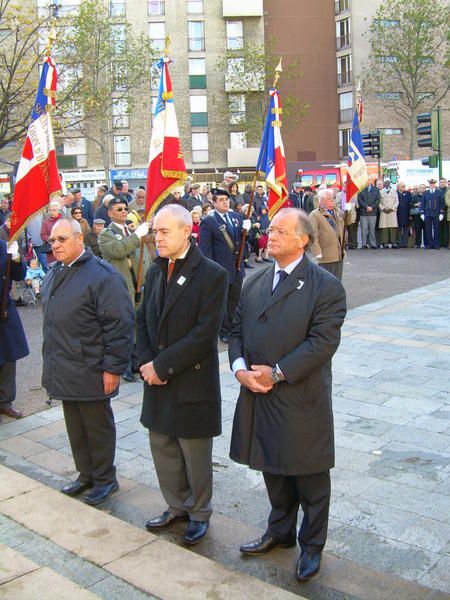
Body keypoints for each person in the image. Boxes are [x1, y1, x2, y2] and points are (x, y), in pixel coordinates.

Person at [229, 208, 346, 582]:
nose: (270, 234)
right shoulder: (256, 280)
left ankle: (311, 545)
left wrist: (277, 373)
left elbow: (323, 343)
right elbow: (234, 331)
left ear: (303, 240)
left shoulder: (325, 286)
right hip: (258, 392)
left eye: (280, 230)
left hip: (299, 397)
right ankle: (279, 532)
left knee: (309, 476)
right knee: (272, 468)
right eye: (270, 229)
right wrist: (240, 369)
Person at [137, 205, 228, 545]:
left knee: (194, 453)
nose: (156, 238)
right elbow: (142, 319)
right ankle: (176, 506)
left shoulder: (212, 274)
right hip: (156, 378)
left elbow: (204, 335)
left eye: (163, 232)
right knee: (163, 446)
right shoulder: (156, 269)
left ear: (186, 231)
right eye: (155, 232)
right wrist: (147, 363)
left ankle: (199, 512)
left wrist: (161, 366)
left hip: (190, 379)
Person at [41, 218, 134, 505]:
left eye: (62, 239)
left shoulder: (102, 276)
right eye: (53, 241)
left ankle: (105, 478)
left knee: (97, 427)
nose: (55, 245)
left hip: (92, 367)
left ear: (79, 239)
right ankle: (86, 474)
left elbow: (119, 325)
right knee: (76, 426)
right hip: (65, 365)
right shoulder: (56, 272)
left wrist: (112, 367)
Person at [98, 197, 150, 382]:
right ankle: (125, 365)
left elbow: (144, 255)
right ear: (110, 212)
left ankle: (136, 361)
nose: (123, 211)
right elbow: (118, 250)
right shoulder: (106, 234)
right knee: (124, 325)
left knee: (139, 323)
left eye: (125, 208)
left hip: (139, 286)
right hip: (122, 287)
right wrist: (137, 236)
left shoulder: (132, 230)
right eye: (118, 209)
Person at [199, 188, 251, 344]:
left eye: (227, 200)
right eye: (221, 200)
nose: (225, 202)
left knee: (235, 300)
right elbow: (205, 249)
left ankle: (233, 327)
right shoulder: (209, 221)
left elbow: (241, 242)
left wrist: (246, 230)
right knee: (222, 302)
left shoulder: (236, 217)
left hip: (237, 267)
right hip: (221, 269)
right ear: (214, 203)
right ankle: (224, 330)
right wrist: (210, 271)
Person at [0, 239, 29, 420]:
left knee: (8, 357)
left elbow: (18, 275)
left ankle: (5, 401)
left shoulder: (4, 246)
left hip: (4, 308)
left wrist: (17, 258)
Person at [309, 188, 346, 280]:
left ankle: (336, 294)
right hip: (325, 255)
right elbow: (313, 235)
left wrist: (349, 213)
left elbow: (347, 224)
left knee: (337, 280)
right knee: (326, 281)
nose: (333, 201)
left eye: (333, 198)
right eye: (329, 199)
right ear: (321, 201)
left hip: (338, 252)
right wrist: (317, 252)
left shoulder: (337, 212)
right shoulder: (315, 215)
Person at [421, 178, 444, 250]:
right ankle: (429, 244)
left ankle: (436, 244)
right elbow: (423, 203)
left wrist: (441, 213)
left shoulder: (439, 192)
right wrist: (422, 213)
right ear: (429, 184)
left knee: (437, 229)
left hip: (436, 213)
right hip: (427, 213)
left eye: (433, 183)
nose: (432, 184)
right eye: (431, 183)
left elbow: (441, 203)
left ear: (435, 184)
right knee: (428, 229)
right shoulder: (425, 193)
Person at [358, 178, 380, 248]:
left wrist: (372, 207)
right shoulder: (361, 189)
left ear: (371, 181)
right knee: (363, 229)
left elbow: (377, 200)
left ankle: (372, 244)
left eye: (369, 180)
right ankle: (364, 244)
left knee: (372, 229)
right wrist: (366, 207)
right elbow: (360, 200)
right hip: (363, 212)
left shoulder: (376, 190)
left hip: (373, 212)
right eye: (366, 180)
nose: (368, 182)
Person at [41, 200, 62, 267]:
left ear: (58, 210)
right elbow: (43, 235)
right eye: (51, 210)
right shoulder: (45, 222)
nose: (52, 212)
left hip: (64, 249)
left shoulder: (64, 220)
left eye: (54, 210)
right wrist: (52, 238)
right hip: (52, 252)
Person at [379, 179, 399, 249]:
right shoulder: (380, 192)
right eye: (386, 183)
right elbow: (378, 202)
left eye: (388, 183)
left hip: (392, 212)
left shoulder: (394, 192)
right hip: (384, 212)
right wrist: (383, 208)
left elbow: (397, 201)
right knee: (384, 227)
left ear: (390, 184)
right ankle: (385, 243)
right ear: (384, 184)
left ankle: (393, 242)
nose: (387, 184)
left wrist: (392, 208)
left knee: (392, 227)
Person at [396, 181, 412, 248]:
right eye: (402, 186)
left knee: (406, 229)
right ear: (398, 187)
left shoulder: (408, 193)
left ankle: (405, 243)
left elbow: (410, 204)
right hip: (398, 214)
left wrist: (410, 215)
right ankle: (399, 243)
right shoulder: (395, 193)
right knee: (399, 229)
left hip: (406, 214)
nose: (404, 187)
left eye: (404, 186)